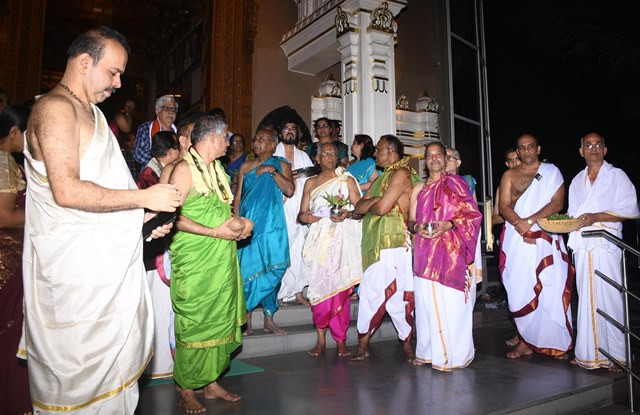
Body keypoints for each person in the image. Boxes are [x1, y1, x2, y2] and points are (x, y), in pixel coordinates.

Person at [22, 27, 180, 413]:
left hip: (103, 270)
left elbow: (106, 194)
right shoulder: (55, 109)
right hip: (73, 276)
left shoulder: (92, 113)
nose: (118, 83)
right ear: (83, 62)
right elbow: (67, 191)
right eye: (113, 72)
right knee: (78, 394)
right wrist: (144, 198)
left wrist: (143, 219)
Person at [168, 115, 251, 412]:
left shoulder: (218, 169)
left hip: (222, 258)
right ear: (211, 138)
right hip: (195, 260)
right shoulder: (182, 169)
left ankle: (211, 383)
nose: (229, 142)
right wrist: (215, 232)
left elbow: (222, 211)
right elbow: (173, 218)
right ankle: (186, 388)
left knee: (219, 318)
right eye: (225, 137)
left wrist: (239, 226)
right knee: (195, 322)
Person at [567, 133, 639, 371]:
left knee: (610, 297)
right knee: (586, 298)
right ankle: (588, 353)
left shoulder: (616, 176)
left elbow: (629, 209)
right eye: (588, 145)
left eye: (598, 144)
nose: (594, 148)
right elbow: (574, 215)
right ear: (581, 152)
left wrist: (596, 216)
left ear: (605, 150)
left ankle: (619, 355)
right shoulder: (577, 181)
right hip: (583, 245)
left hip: (606, 243)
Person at [498, 134, 573, 359]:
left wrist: (530, 222)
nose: (527, 150)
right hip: (517, 238)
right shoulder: (509, 175)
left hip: (545, 236)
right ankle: (525, 341)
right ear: (518, 152)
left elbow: (557, 204)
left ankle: (556, 343)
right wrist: (522, 227)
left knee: (551, 288)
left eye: (531, 146)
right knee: (521, 289)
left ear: (538, 149)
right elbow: (504, 207)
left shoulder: (551, 172)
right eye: (522, 148)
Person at [409, 142, 482, 370]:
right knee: (425, 306)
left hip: (450, 251)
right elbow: (410, 220)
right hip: (424, 251)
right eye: (429, 155)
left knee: (452, 305)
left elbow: (472, 214)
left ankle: (455, 355)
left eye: (438, 154)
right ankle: (427, 352)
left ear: (444, 158)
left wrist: (449, 224)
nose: (434, 158)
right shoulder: (418, 188)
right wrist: (416, 227)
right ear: (425, 160)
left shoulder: (457, 183)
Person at [352, 134, 420, 361]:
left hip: (395, 243)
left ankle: (407, 342)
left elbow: (382, 209)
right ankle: (363, 343)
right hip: (374, 243)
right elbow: (357, 208)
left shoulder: (401, 174)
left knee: (398, 295)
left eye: (378, 149)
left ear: (390, 151)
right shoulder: (382, 178)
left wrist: (373, 203)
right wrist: (374, 201)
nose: (375, 153)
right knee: (369, 292)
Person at [298, 142, 363, 358]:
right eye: (324, 154)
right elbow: (302, 214)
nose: (329, 157)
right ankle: (320, 340)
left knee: (340, 290)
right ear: (317, 159)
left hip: (342, 243)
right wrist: (306, 217)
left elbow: (360, 209)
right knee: (319, 288)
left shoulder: (346, 180)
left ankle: (341, 341)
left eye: (333, 154)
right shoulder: (310, 183)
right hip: (319, 243)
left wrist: (347, 213)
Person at [236, 128, 295, 336]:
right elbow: (238, 197)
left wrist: (272, 171)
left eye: (262, 139)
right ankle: (246, 319)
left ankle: (269, 319)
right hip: (249, 226)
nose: (257, 142)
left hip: (272, 226)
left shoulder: (281, 164)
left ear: (273, 144)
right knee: (247, 270)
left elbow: (290, 190)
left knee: (273, 267)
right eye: (255, 139)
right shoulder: (245, 166)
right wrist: (236, 223)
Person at [0, 105, 31, 414]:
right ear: (13, 133)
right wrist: (42, 214)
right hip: (7, 258)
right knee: (11, 334)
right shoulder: (3, 161)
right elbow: (4, 216)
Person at [274, 117, 314, 306]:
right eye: (286, 128)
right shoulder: (274, 154)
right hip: (282, 205)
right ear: (280, 133)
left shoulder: (304, 156)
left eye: (293, 129)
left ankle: (298, 291)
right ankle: (280, 293)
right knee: (282, 247)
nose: (290, 131)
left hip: (299, 205)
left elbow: (311, 182)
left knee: (300, 249)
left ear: (297, 134)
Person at [445, 146, 483, 284]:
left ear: (458, 163)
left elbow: (474, 211)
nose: (445, 160)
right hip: (442, 233)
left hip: (464, 230)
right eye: (443, 157)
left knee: (464, 277)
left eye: (449, 157)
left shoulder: (467, 181)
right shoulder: (435, 182)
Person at [134, 94, 178, 169]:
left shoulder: (179, 132)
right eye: (166, 108)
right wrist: (162, 165)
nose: (171, 112)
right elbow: (139, 154)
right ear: (157, 111)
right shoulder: (147, 128)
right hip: (152, 173)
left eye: (173, 109)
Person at [492, 148, 520, 226]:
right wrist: (509, 216)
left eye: (517, 159)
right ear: (507, 164)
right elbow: (494, 218)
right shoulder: (502, 187)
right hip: (511, 228)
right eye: (511, 160)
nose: (514, 163)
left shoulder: (533, 181)